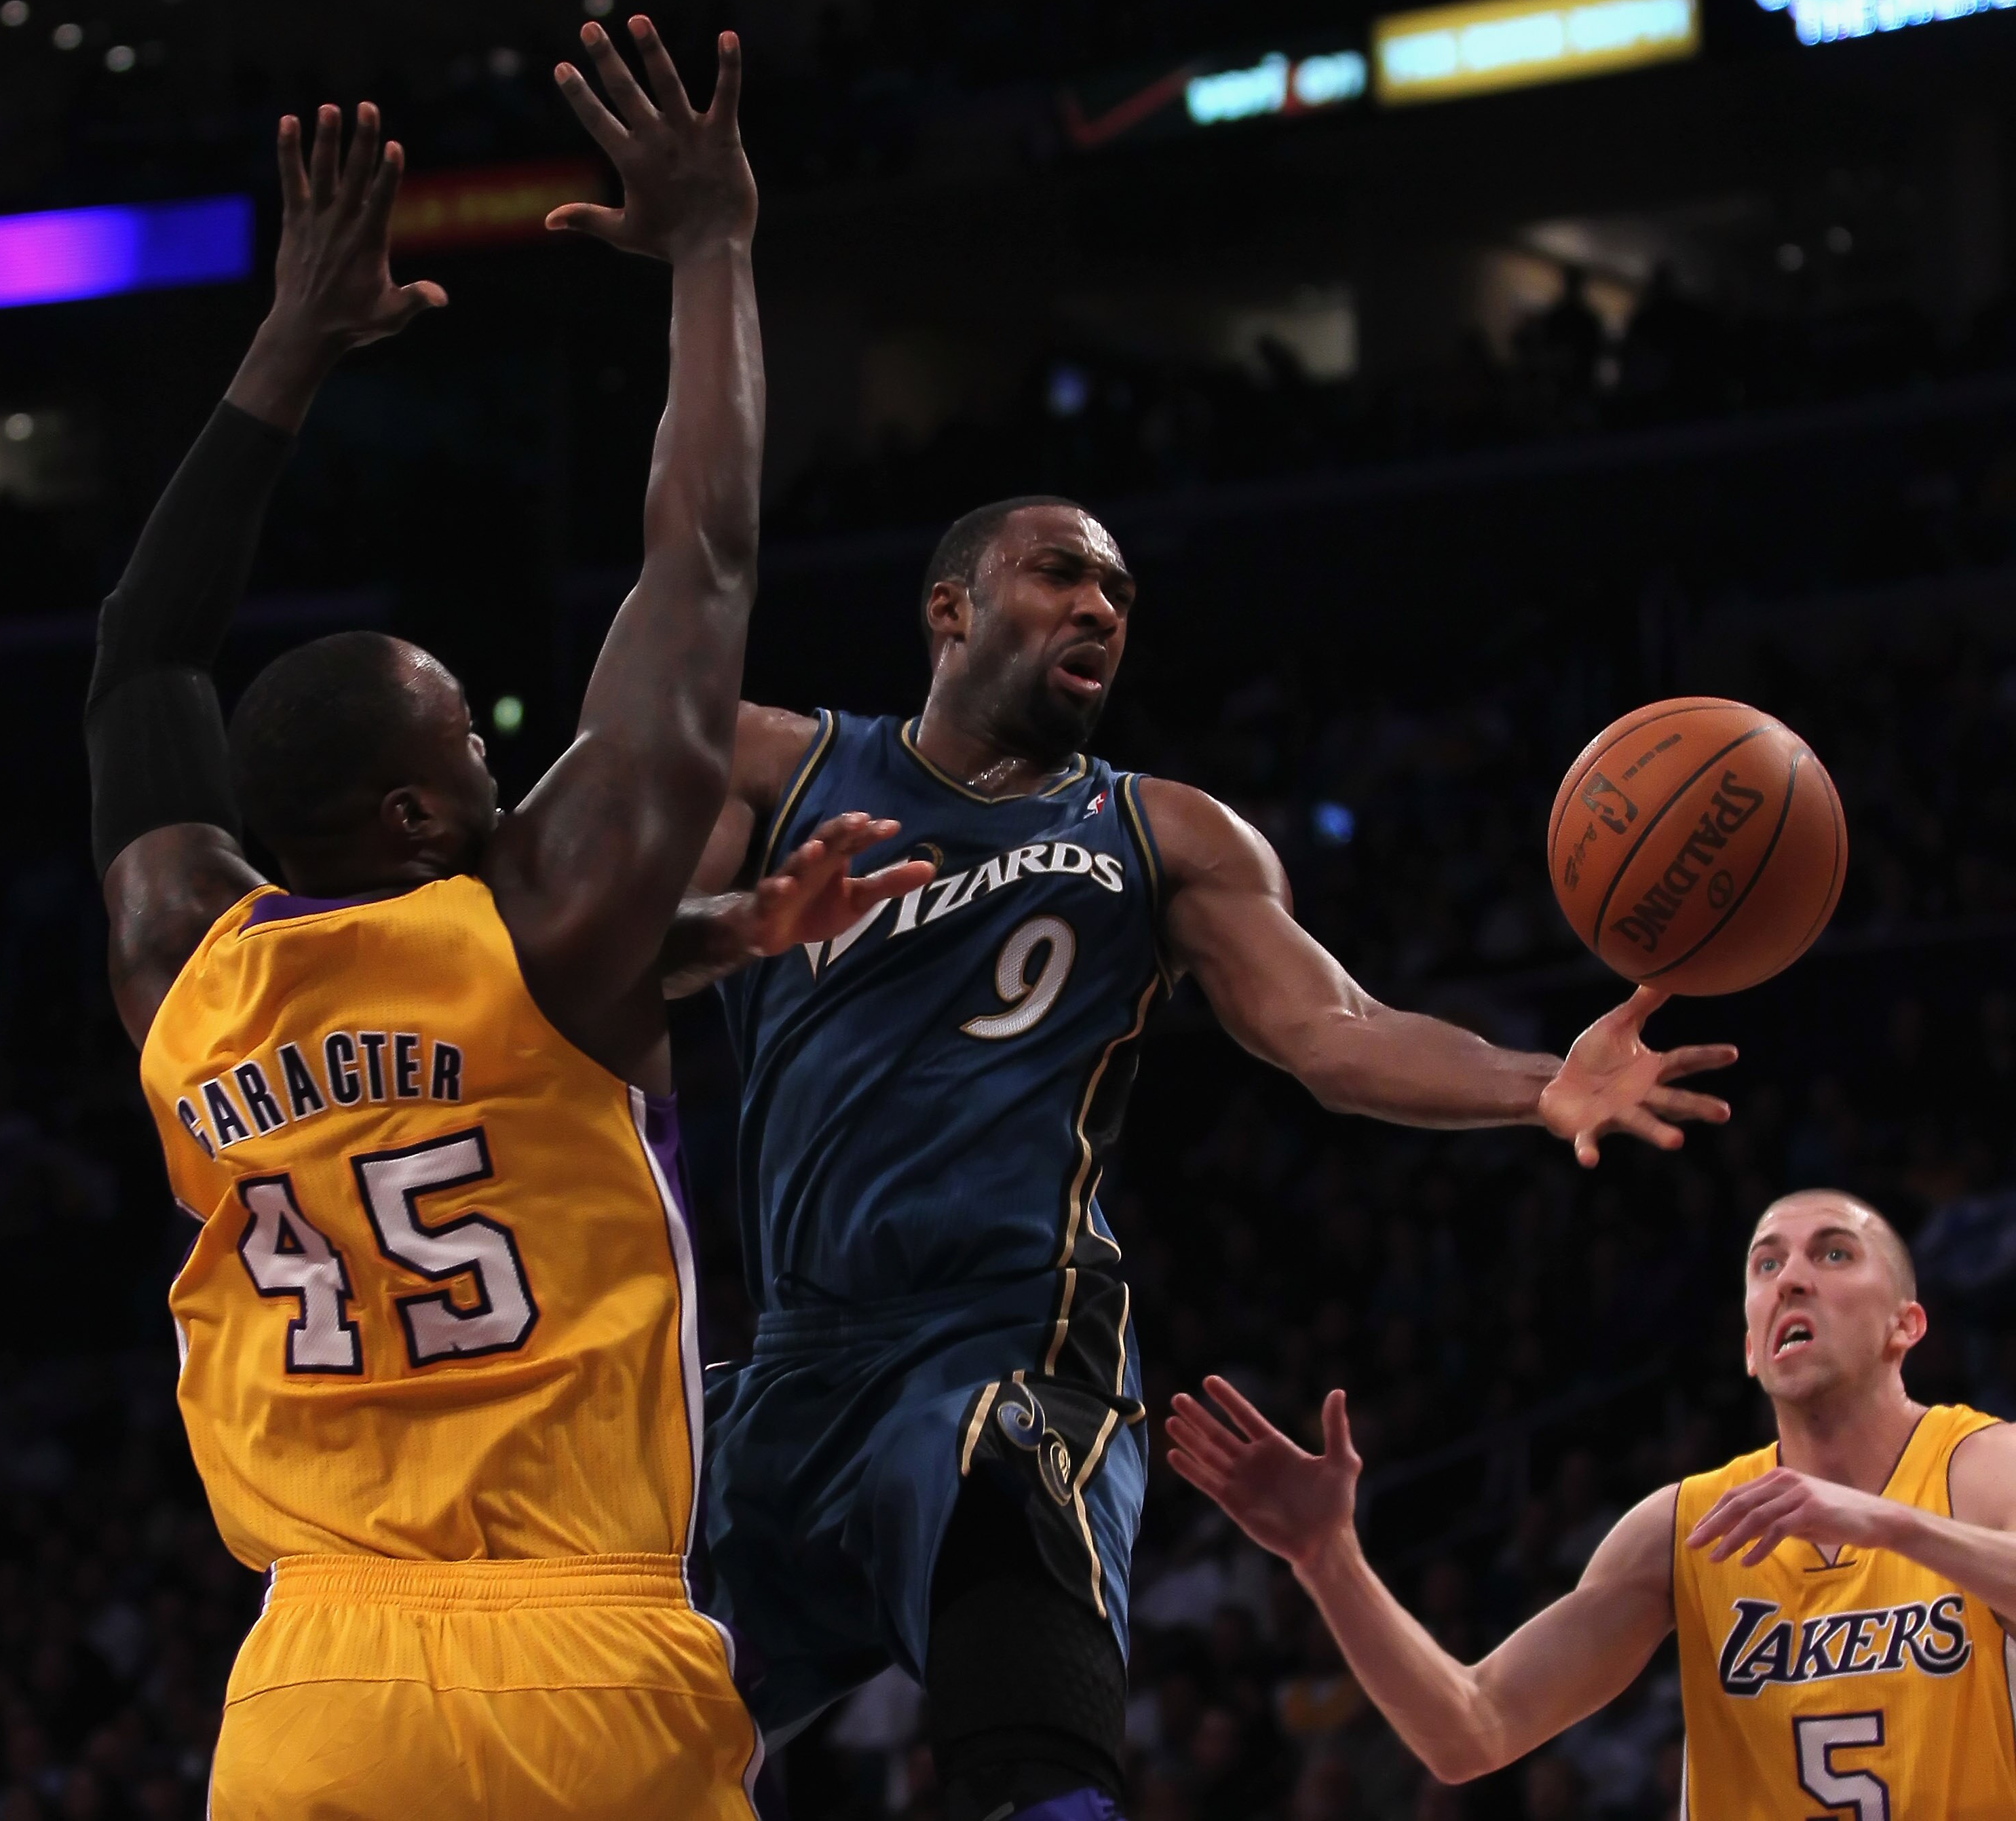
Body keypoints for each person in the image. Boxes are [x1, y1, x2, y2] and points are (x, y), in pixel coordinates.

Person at [85, 19, 924, 1820]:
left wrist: (285, 351)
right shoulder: (546, 925)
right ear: (412, 811)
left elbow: (141, 650)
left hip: (315, 1669)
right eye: (473, 737)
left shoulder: (183, 968)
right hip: (582, 1656)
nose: (501, 752)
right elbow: (697, 562)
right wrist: (712, 245)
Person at [673, 493, 1738, 1820]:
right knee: (617, 1750)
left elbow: (1332, 1032)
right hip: (790, 1365)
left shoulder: (1163, 833)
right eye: (1060, 573)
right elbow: (619, 949)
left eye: (1118, 592)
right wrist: (737, 924)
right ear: (949, 609)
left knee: (1025, 1732)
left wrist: (1541, 1086)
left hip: (1008, 1340)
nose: (1100, 609)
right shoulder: (780, 769)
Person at [1166, 1187, 2016, 1818]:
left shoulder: (1983, 1467)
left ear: (1906, 1325)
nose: (1792, 1277)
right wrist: (1328, 1560)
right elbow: (1474, 1729)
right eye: (1767, 1262)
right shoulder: (1681, 1529)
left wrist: (1884, 1520)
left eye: (1833, 1253)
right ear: (1750, 1348)